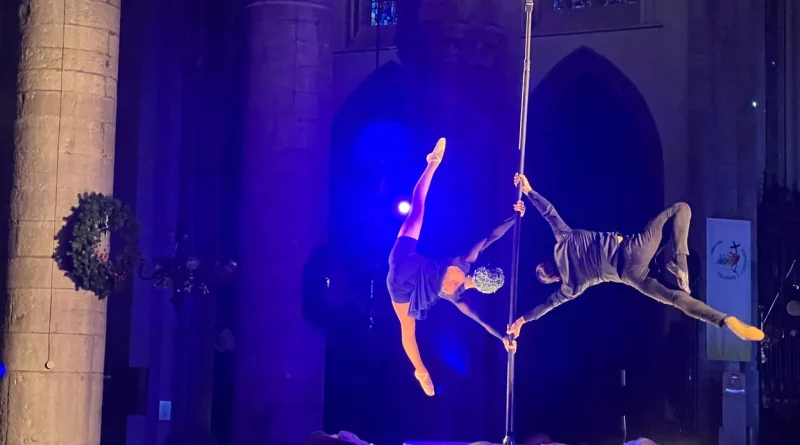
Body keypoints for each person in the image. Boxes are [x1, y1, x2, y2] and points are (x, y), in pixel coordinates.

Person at [507, 173, 764, 343]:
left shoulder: (568, 289)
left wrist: (521, 321)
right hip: (632, 249)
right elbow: (549, 213)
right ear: (549, 262)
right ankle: (681, 264)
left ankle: (724, 320)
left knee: (675, 300)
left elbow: (546, 307)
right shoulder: (563, 240)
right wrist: (529, 190)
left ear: (554, 278)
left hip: (630, 276)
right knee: (680, 209)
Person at [387, 138, 521, 396]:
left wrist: (515, 217)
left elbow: (491, 236)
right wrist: (502, 338)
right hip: (398, 286)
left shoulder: (463, 263)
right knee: (408, 331)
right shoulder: (457, 297)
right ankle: (421, 371)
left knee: (418, 210)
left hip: (403, 260)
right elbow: (482, 322)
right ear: (483, 290)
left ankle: (431, 165)